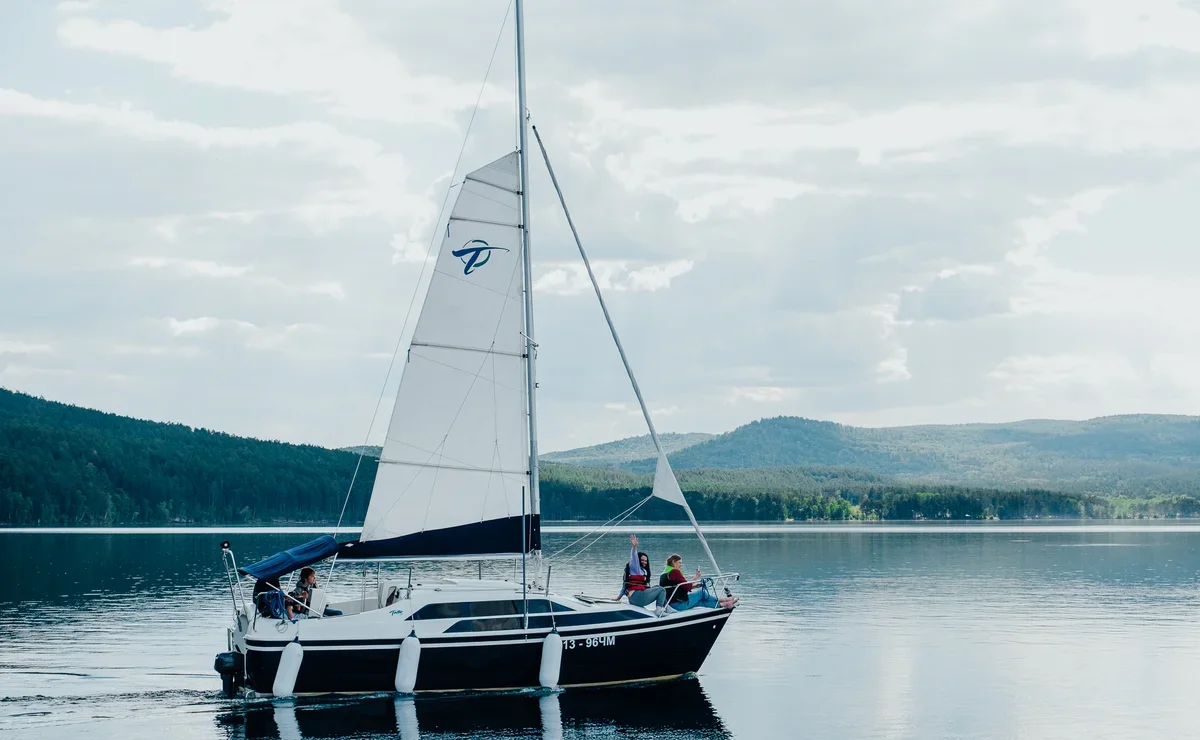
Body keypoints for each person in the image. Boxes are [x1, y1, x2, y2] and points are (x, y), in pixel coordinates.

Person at [660, 554, 739, 611]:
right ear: (673, 562)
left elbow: (680, 587)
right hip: (678, 605)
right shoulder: (675, 572)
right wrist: (696, 576)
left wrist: (695, 586)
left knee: (701, 602)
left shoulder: (664, 574)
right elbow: (686, 586)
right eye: (679, 563)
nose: (681, 565)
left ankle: (724, 604)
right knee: (701, 593)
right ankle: (723, 600)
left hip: (671, 605)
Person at [616, 535, 672, 616]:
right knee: (662, 590)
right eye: (642, 560)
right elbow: (634, 557)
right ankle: (658, 610)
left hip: (632, 599)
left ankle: (668, 608)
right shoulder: (635, 568)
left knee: (657, 587)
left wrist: (618, 597)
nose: (644, 562)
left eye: (646, 561)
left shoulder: (643, 571)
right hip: (638, 597)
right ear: (638, 560)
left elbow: (625, 585)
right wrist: (634, 547)